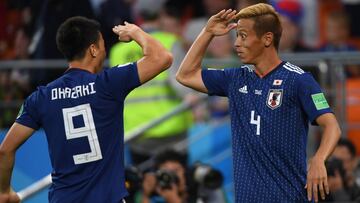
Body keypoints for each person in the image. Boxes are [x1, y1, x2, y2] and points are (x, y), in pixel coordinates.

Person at [176, 3, 341, 202]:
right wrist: (207, 32)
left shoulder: (298, 80)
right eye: (236, 36)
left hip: (289, 197)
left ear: (267, 39)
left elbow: (332, 125)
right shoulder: (235, 78)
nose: (237, 43)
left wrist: (318, 159)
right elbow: (185, 75)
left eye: (243, 36)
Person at [0, 16, 173, 203]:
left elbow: (5, 150)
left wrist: (4, 192)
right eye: (103, 46)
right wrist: (135, 31)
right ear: (93, 50)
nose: (104, 52)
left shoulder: (41, 97)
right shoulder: (108, 83)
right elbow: (162, 57)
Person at [109, 0, 193, 165]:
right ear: (161, 15)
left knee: (144, 185)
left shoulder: (118, 50)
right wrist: (193, 99)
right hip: (170, 127)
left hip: (137, 130)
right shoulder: (169, 42)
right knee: (177, 184)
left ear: (138, 17)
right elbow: (180, 81)